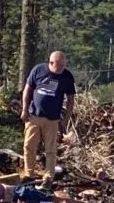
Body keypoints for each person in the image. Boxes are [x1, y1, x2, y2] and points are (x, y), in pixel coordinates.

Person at [20, 51, 76, 186]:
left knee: (51, 150)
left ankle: (48, 177)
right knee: (29, 146)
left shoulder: (67, 76)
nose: (61, 69)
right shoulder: (38, 70)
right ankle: (29, 174)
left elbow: (70, 100)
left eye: (63, 65)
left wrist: (66, 120)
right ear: (51, 63)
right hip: (34, 116)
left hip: (52, 119)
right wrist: (24, 109)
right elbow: (27, 90)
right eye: (59, 66)